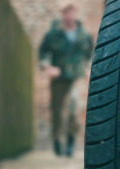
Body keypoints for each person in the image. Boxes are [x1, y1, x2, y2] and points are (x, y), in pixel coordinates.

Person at [39, 1, 93, 157]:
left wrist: (88, 67)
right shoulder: (53, 34)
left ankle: (70, 141)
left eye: (72, 12)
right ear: (63, 15)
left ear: (75, 14)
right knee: (57, 111)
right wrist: (48, 67)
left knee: (74, 109)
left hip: (75, 77)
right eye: (66, 12)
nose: (69, 15)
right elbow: (43, 52)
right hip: (58, 78)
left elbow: (89, 53)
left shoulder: (83, 35)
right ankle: (56, 140)